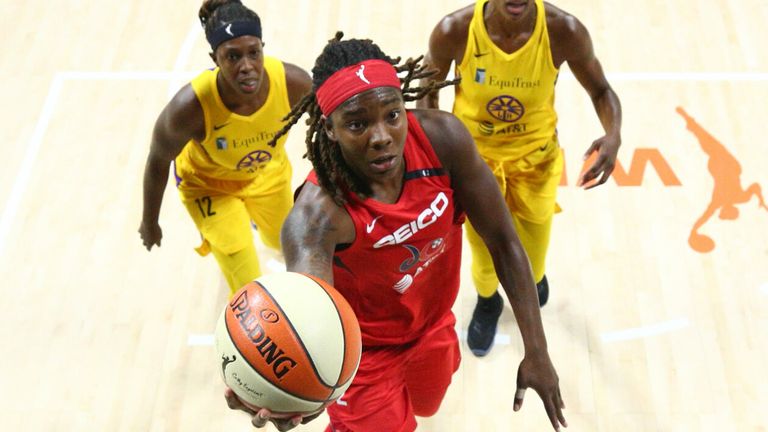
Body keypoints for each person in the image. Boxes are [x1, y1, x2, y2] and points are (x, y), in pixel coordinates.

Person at [224, 33, 567, 432]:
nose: (382, 136)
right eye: (357, 123)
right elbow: (310, 318)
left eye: (392, 114)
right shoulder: (316, 217)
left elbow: (505, 242)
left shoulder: (444, 141)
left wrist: (537, 350)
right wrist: (298, 392)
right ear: (330, 129)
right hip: (363, 356)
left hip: (433, 322)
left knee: (428, 404)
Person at [417, 0, 622, 356]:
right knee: (484, 251)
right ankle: (488, 300)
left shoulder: (563, 31)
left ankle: (533, 276)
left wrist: (613, 134)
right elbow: (425, 91)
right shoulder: (455, 30)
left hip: (536, 159)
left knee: (535, 249)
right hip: (474, 164)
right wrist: (437, 157)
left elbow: (601, 90)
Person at [138, 0, 312, 294]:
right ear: (215, 58)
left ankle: (258, 222)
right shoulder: (189, 108)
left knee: (280, 239)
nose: (246, 66)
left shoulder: (294, 82)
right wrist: (149, 221)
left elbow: (332, 123)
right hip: (210, 186)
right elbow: (158, 161)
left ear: (262, 48)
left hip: (266, 171)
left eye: (253, 53)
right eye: (232, 57)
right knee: (246, 279)